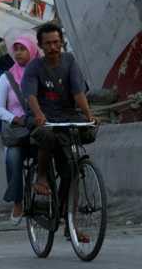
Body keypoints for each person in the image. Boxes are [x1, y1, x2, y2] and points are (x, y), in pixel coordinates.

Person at [21, 22, 96, 242]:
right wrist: (38, 114)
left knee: (71, 171)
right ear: (41, 46)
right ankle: (42, 176)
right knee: (47, 135)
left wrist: (88, 114)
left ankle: (69, 223)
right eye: (48, 43)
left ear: (61, 42)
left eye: (56, 42)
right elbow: (31, 96)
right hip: (41, 116)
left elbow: (78, 91)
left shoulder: (70, 61)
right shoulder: (34, 67)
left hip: (66, 114)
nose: (53, 47)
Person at [0, 34, 39, 225]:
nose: (18, 53)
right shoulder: (7, 78)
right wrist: (14, 118)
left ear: (32, 50)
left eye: (23, 49)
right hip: (17, 133)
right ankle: (18, 202)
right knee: (13, 158)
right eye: (16, 49)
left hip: (37, 128)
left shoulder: (40, 73)